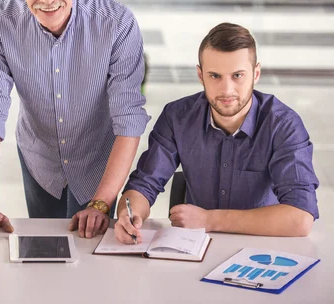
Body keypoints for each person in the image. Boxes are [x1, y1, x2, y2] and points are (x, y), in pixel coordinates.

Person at [0, 0, 150, 240]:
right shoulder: (0, 23)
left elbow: (129, 118)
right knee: (45, 248)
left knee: (91, 251)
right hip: (39, 158)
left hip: (96, 158)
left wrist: (101, 204)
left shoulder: (117, 23)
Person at [115, 22, 319, 244]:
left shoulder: (284, 126)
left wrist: (210, 220)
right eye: (215, 76)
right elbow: (144, 184)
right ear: (200, 75)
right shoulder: (177, 117)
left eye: (237, 75)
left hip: (261, 248)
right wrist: (129, 214)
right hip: (194, 250)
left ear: (256, 73)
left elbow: (300, 218)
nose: (226, 90)